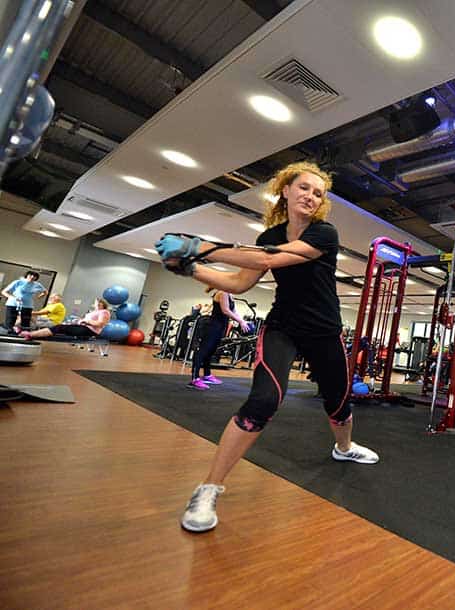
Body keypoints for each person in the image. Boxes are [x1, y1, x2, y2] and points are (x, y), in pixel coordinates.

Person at [155, 161, 379, 534]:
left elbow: (270, 260)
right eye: (304, 188)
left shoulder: (324, 234)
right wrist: (188, 268)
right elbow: (240, 282)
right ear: (286, 191)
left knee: (338, 402)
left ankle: (344, 447)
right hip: (283, 328)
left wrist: (202, 247)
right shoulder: (268, 235)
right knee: (263, 400)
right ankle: (209, 487)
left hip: (324, 332)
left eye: (318, 193)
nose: (310, 196)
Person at [188, 288, 249, 390]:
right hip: (213, 326)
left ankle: (207, 375)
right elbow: (225, 310)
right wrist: (240, 321)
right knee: (203, 351)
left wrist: (242, 321)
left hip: (221, 327)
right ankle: (194, 379)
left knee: (211, 352)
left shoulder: (230, 295)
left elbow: (234, 311)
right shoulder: (222, 293)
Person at [19, 297, 110, 340]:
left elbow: (100, 324)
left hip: (90, 331)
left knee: (59, 327)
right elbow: (86, 321)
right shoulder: (93, 312)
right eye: (96, 303)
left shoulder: (104, 312)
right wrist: (79, 321)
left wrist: (86, 321)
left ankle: (30, 334)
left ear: (103, 305)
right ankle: (32, 335)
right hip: (84, 327)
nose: (97, 304)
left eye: (100, 303)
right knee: (60, 327)